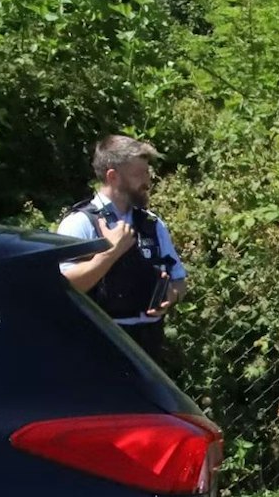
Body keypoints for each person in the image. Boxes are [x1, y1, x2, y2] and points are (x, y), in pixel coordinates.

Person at [54, 135, 187, 368]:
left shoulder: (152, 224)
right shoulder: (80, 223)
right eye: (139, 174)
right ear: (112, 176)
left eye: (147, 172)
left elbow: (179, 280)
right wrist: (110, 253)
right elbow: (63, 286)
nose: (147, 181)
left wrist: (171, 296)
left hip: (149, 341)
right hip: (100, 342)